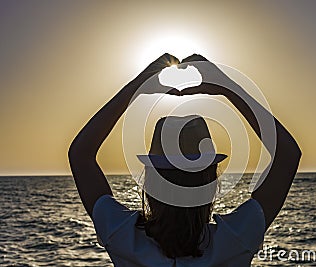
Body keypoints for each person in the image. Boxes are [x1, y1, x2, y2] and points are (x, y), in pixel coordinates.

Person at [68, 53, 302, 266]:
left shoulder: (121, 235)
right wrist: (227, 87)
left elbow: (80, 155)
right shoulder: (235, 240)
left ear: (149, 181)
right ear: (211, 183)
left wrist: (137, 86)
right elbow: (288, 155)